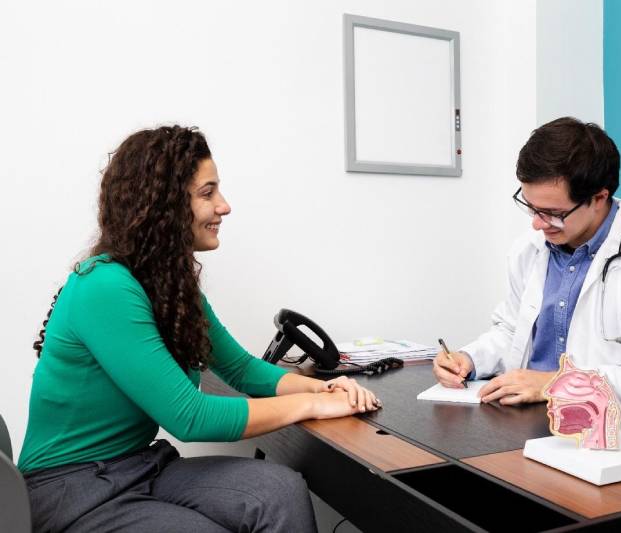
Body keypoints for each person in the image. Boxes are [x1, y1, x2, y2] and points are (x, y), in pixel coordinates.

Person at [18, 125, 380, 532]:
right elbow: (190, 418)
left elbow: (242, 369)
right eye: (207, 193)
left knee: (277, 490)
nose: (224, 206)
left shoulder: (170, 283)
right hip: (70, 489)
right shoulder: (104, 287)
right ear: (164, 205)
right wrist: (313, 405)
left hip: (140, 465)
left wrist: (325, 388)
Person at [433, 117, 621, 413]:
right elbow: (513, 331)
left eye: (552, 212)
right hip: (532, 417)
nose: (537, 223)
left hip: (618, 427)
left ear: (599, 197)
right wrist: (470, 359)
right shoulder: (530, 249)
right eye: (531, 207)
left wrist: (554, 383)